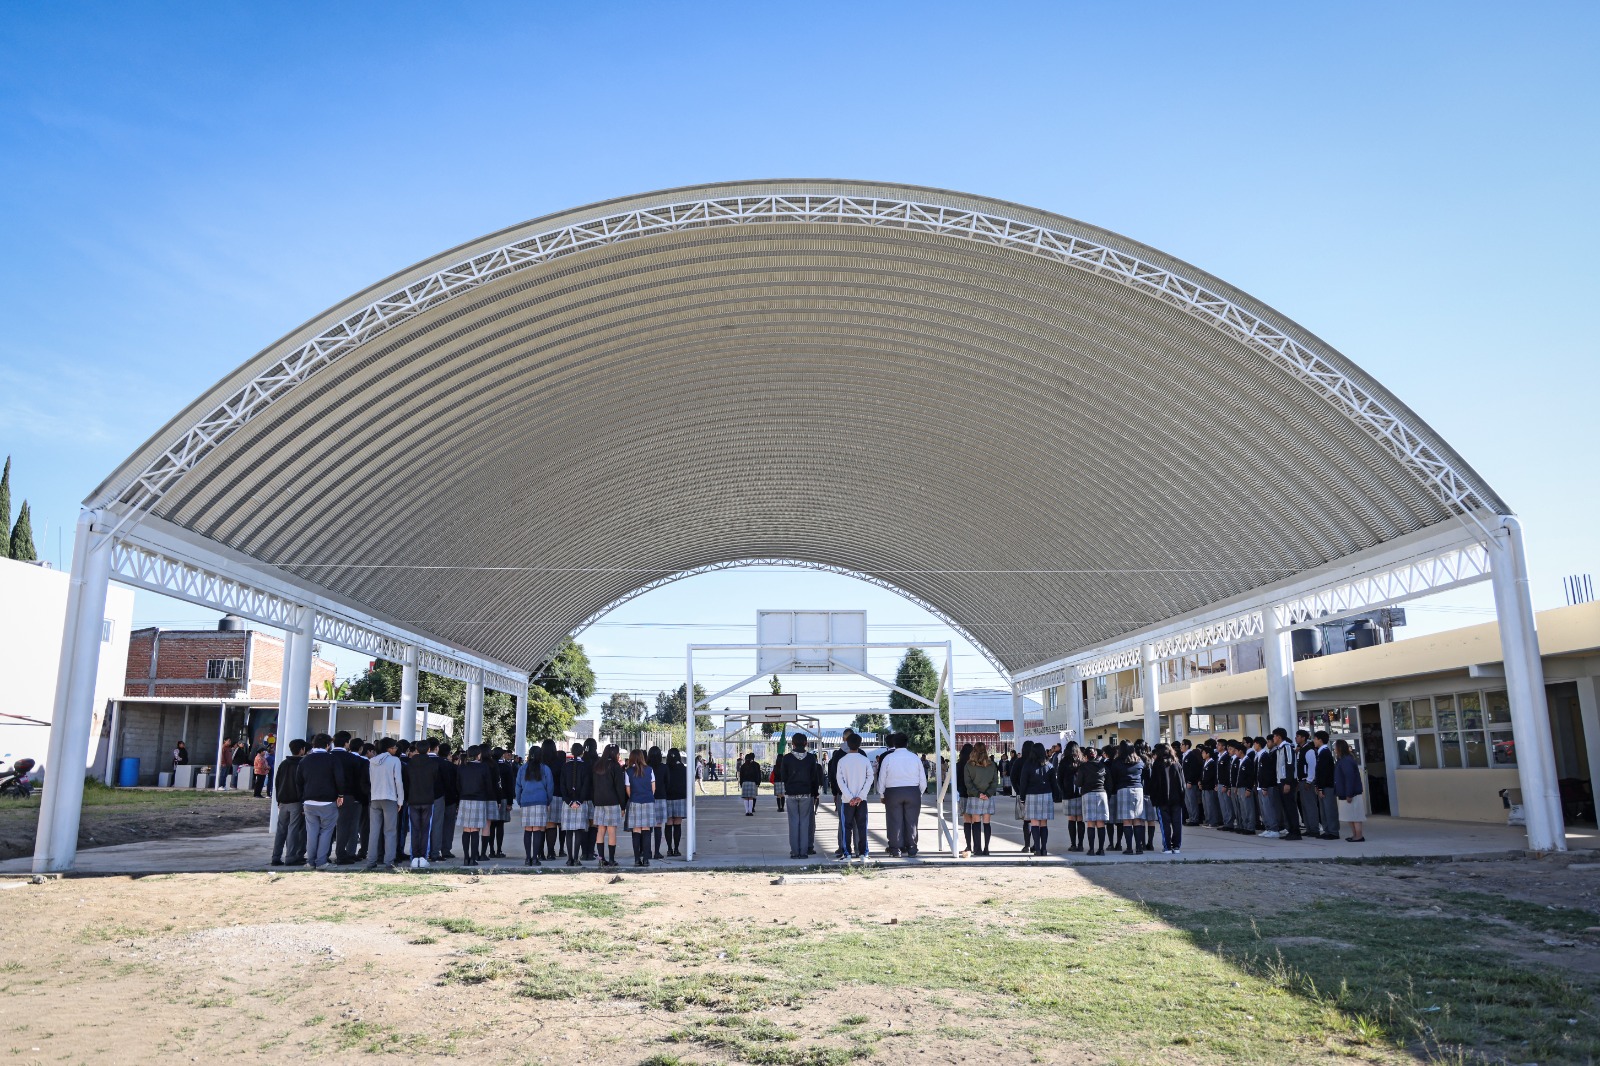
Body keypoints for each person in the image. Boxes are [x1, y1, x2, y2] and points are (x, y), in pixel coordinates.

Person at [296, 734, 347, 870]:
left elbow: (299, 782)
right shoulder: (332, 759)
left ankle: (311, 861)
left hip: (309, 802)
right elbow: (339, 779)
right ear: (327, 745)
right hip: (328, 801)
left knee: (311, 832)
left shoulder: (304, 761)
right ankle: (321, 861)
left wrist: (302, 799)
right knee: (326, 832)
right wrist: (340, 794)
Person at [878, 733, 926, 858]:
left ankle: (895, 849)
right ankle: (912, 848)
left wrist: (881, 793)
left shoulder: (888, 758)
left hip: (893, 792)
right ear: (907, 743)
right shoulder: (915, 758)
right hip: (913, 791)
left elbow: (882, 778)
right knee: (912, 821)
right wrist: (918, 793)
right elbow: (923, 780)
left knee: (894, 821)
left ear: (894, 744)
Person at [776, 734, 822, 860]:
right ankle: (804, 851)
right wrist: (815, 793)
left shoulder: (787, 758)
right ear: (806, 743)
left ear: (793, 744)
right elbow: (814, 777)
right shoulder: (811, 758)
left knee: (793, 822)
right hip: (806, 794)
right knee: (805, 822)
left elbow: (783, 776)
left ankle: (795, 851)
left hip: (791, 794)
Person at [364, 737, 404, 870]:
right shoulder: (395, 760)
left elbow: (371, 780)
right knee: (390, 831)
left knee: (374, 831)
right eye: (395, 747)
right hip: (390, 798)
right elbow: (398, 781)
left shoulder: (372, 761)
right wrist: (400, 800)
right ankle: (389, 861)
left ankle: (371, 861)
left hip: (375, 798)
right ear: (389, 748)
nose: (396, 749)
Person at [402, 737, 442, 869]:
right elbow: (435, 781)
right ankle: (423, 857)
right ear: (429, 749)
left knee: (414, 829)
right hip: (428, 800)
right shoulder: (433, 764)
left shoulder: (410, 763)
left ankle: (414, 857)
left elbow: (406, 783)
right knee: (426, 829)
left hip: (413, 800)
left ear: (417, 749)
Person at [834, 733, 874, 860]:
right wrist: (860, 796)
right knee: (862, 826)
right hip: (862, 800)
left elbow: (840, 781)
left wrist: (850, 796)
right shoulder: (865, 759)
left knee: (847, 827)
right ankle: (864, 854)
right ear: (860, 744)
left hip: (847, 801)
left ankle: (847, 854)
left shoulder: (842, 760)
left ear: (847, 744)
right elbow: (870, 778)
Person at [515, 745, 555, 866]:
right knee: (537, 830)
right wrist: (548, 801)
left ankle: (527, 859)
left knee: (527, 830)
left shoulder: (522, 769)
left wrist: (519, 801)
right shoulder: (545, 769)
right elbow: (550, 787)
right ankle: (535, 858)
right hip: (540, 801)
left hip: (526, 801)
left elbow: (518, 786)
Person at [331, 732, 368, 864]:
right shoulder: (352, 759)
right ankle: (342, 854)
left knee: (327, 828)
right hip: (348, 796)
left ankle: (321, 855)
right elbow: (358, 780)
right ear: (346, 743)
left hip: (328, 797)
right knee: (346, 826)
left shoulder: (328, 756)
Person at [269, 739, 307, 867]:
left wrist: (278, 800)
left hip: (283, 801)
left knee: (281, 830)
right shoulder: (302, 764)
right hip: (296, 802)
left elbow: (277, 782)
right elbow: (303, 784)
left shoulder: (284, 764)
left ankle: (276, 857)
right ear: (302, 749)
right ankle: (291, 857)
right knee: (293, 829)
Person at [1019, 741, 1061, 855]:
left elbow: (1023, 783)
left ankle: (1037, 849)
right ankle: (1044, 848)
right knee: (1044, 823)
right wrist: (1056, 795)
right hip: (1046, 795)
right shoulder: (1049, 765)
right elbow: (1054, 783)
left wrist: (1022, 797)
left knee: (1034, 823)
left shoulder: (1027, 765)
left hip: (1032, 795)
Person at [590, 743, 627, 868]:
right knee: (611, 831)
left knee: (600, 830)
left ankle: (601, 859)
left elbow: (593, 785)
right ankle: (611, 860)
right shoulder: (615, 766)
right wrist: (623, 806)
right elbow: (620, 788)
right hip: (612, 802)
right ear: (615, 754)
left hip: (599, 802)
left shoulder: (597, 765)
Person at [558, 743, 593, 867]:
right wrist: (579, 801)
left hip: (567, 803)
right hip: (581, 803)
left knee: (568, 832)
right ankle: (577, 858)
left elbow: (561, 785)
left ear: (571, 752)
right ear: (582, 752)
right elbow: (586, 785)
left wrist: (568, 801)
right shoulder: (586, 766)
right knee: (578, 831)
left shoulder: (565, 766)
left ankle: (569, 859)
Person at [1109, 741, 1146, 855]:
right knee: (1137, 819)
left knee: (1127, 820)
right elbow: (1144, 775)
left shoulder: (1117, 762)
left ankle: (1129, 848)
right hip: (1138, 790)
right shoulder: (1139, 761)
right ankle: (1139, 847)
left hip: (1123, 789)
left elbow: (1113, 777)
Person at [962, 742, 999, 856]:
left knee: (976, 823)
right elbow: (995, 782)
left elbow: (968, 783)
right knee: (987, 823)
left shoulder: (968, 765)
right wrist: (988, 793)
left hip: (974, 797)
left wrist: (978, 794)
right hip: (988, 796)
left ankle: (977, 849)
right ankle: (986, 848)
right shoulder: (992, 765)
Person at [1148, 743, 1185, 855]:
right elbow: (1182, 782)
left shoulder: (1157, 765)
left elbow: (1154, 784)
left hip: (1162, 799)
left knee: (1165, 824)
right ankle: (1177, 846)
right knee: (1177, 823)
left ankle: (1167, 847)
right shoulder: (1176, 763)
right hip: (1177, 799)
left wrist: (1153, 798)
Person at [623, 748, 657, 867]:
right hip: (648, 801)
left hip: (634, 801)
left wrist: (634, 797)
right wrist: (647, 796)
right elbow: (653, 788)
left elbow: (628, 789)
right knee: (646, 830)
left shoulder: (628, 772)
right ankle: (646, 859)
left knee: (636, 831)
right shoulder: (650, 770)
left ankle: (637, 859)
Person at [1076, 746, 1110, 856]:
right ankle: (1101, 849)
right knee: (1101, 822)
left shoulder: (1083, 767)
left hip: (1088, 794)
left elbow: (1078, 783)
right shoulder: (1103, 766)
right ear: (1095, 755)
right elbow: (1109, 782)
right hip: (1101, 793)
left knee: (1090, 822)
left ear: (1086, 756)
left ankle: (1091, 849)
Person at [1333, 739, 1366, 842]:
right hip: (1346, 792)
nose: (1334, 750)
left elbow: (1349, 777)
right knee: (1350, 816)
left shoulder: (1346, 760)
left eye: (1335, 748)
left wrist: (1349, 794)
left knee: (1355, 815)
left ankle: (1359, 835)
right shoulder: (1343, 759)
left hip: (1351, 793)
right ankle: (1355, 834)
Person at [1311, 731, 1340, 839]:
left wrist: (1321, 787)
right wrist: (1317, 786)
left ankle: (1333, 831)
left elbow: (1324, 772)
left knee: (1329, 809)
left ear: (1320, 740)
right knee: (1323, 810)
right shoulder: (1320, 752)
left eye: (1315, 739)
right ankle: (1327, 830)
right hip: (1322, 786)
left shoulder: (1325, 753)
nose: (1314, 741)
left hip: (1327, 786)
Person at [661, 748, 689, 857]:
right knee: (677, 824)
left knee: (668, 824)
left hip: (667, 798)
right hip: (680, 797)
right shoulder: (683, 768)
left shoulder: (665, 768)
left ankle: (669, 849)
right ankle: (676, 849)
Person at [1057, 742, 1084, 853]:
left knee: (1071, 819)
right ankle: (1081, 845)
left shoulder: (1063, 762)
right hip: (1081, 793)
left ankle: (1073, 844)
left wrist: (1063, 791)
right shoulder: (1082, 762)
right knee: (1080, 819)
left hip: (1068, 794)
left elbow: (1059, 779)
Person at [646, 746, 667, 860]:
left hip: (649, 798)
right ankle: (657, 852)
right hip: (661, 797)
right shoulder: (664, 767)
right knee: (658, 826)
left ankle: (647, 851)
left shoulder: (646, 768)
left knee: (648, 827)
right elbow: (667, 782)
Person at [954, 743, 973, 857]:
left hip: (963, 794)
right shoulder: (974, 765)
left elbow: (955, 782)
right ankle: (977, 845)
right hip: (974, 795)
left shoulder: (958, 765)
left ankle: (968, 845)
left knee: (967, 821)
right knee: (975, 820)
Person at [1181, 739, 1204, 825]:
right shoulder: (1184, 755)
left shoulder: (1191, 755)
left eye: (1182, 744)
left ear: (1187, 746)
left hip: (1190, 783)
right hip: (1185, 782)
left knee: (1192, 801)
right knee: (1187, 802)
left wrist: (1190, 781)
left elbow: (1193, 770)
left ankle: (1195, 819)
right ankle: (1191, 818)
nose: (1181, 746)